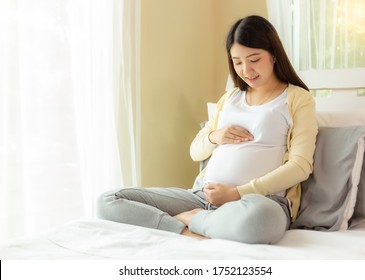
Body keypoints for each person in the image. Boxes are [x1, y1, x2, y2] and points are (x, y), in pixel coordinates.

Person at [96, 15, 318, 244]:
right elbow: (195, 152)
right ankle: (184, 228)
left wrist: (238, 193)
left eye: (254, 59)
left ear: (273, 54)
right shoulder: (231, 98)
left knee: (262, 221)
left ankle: (195, 219)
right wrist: (215, 136)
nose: (246, 70)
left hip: (259, 201)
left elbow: (300, 166)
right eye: (237, 61)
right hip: (203, 196)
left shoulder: (297, 99)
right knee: (109, 200)